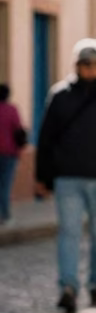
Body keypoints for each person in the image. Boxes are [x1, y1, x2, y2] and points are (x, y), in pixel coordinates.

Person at [35, 39, 96, 313]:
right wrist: (42, 176)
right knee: (69, 232)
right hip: (68, 177)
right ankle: (68, 287)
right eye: (85, 64)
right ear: (77, 66)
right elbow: (46, 138)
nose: (91, 69)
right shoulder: (60, 95)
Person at [0, 84, 26, 224]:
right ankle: (5, 214)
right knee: (5, 185)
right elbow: (18, 130)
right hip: (9, 153)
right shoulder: (12, 110)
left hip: (8, 152)